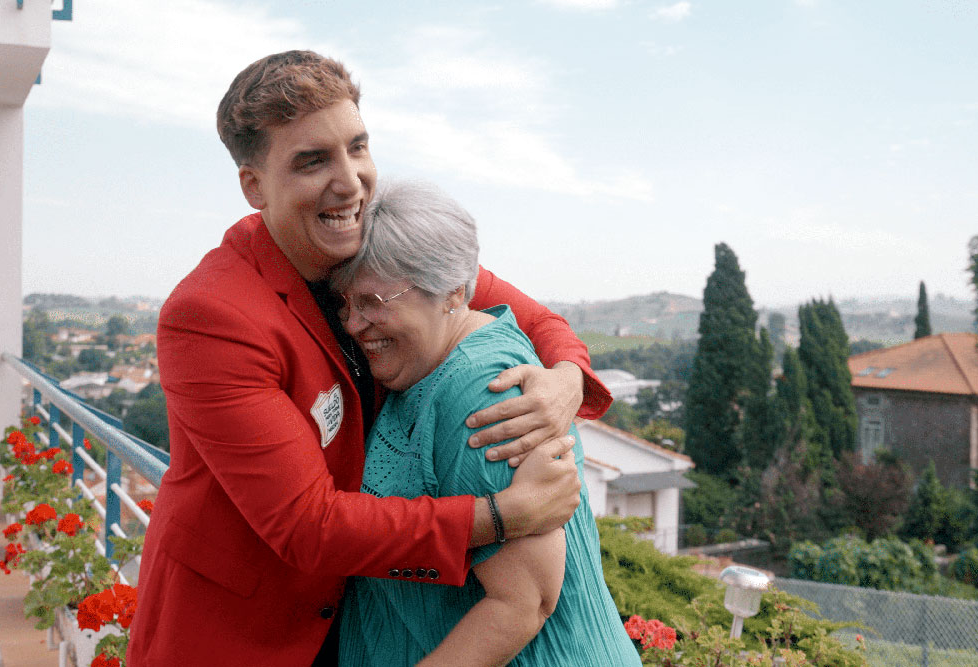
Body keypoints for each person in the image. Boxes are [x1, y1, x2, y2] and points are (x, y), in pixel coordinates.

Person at [126, 50, 612, 666]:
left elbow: (534, 319)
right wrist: (501, 514)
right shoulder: (213, 317)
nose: (350, 181)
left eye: (357, 147)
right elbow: (308, 527)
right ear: (254, 186)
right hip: (243, 631)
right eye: (312, 161)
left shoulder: (382, 255)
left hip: (362, 619)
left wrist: (564, 381)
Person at [332, 179, 639, 666]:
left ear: (452, 291)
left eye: (373, 302)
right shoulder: (427, 362)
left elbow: (522, 604)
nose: (353, 323)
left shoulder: (482, 393)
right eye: (344, 303)